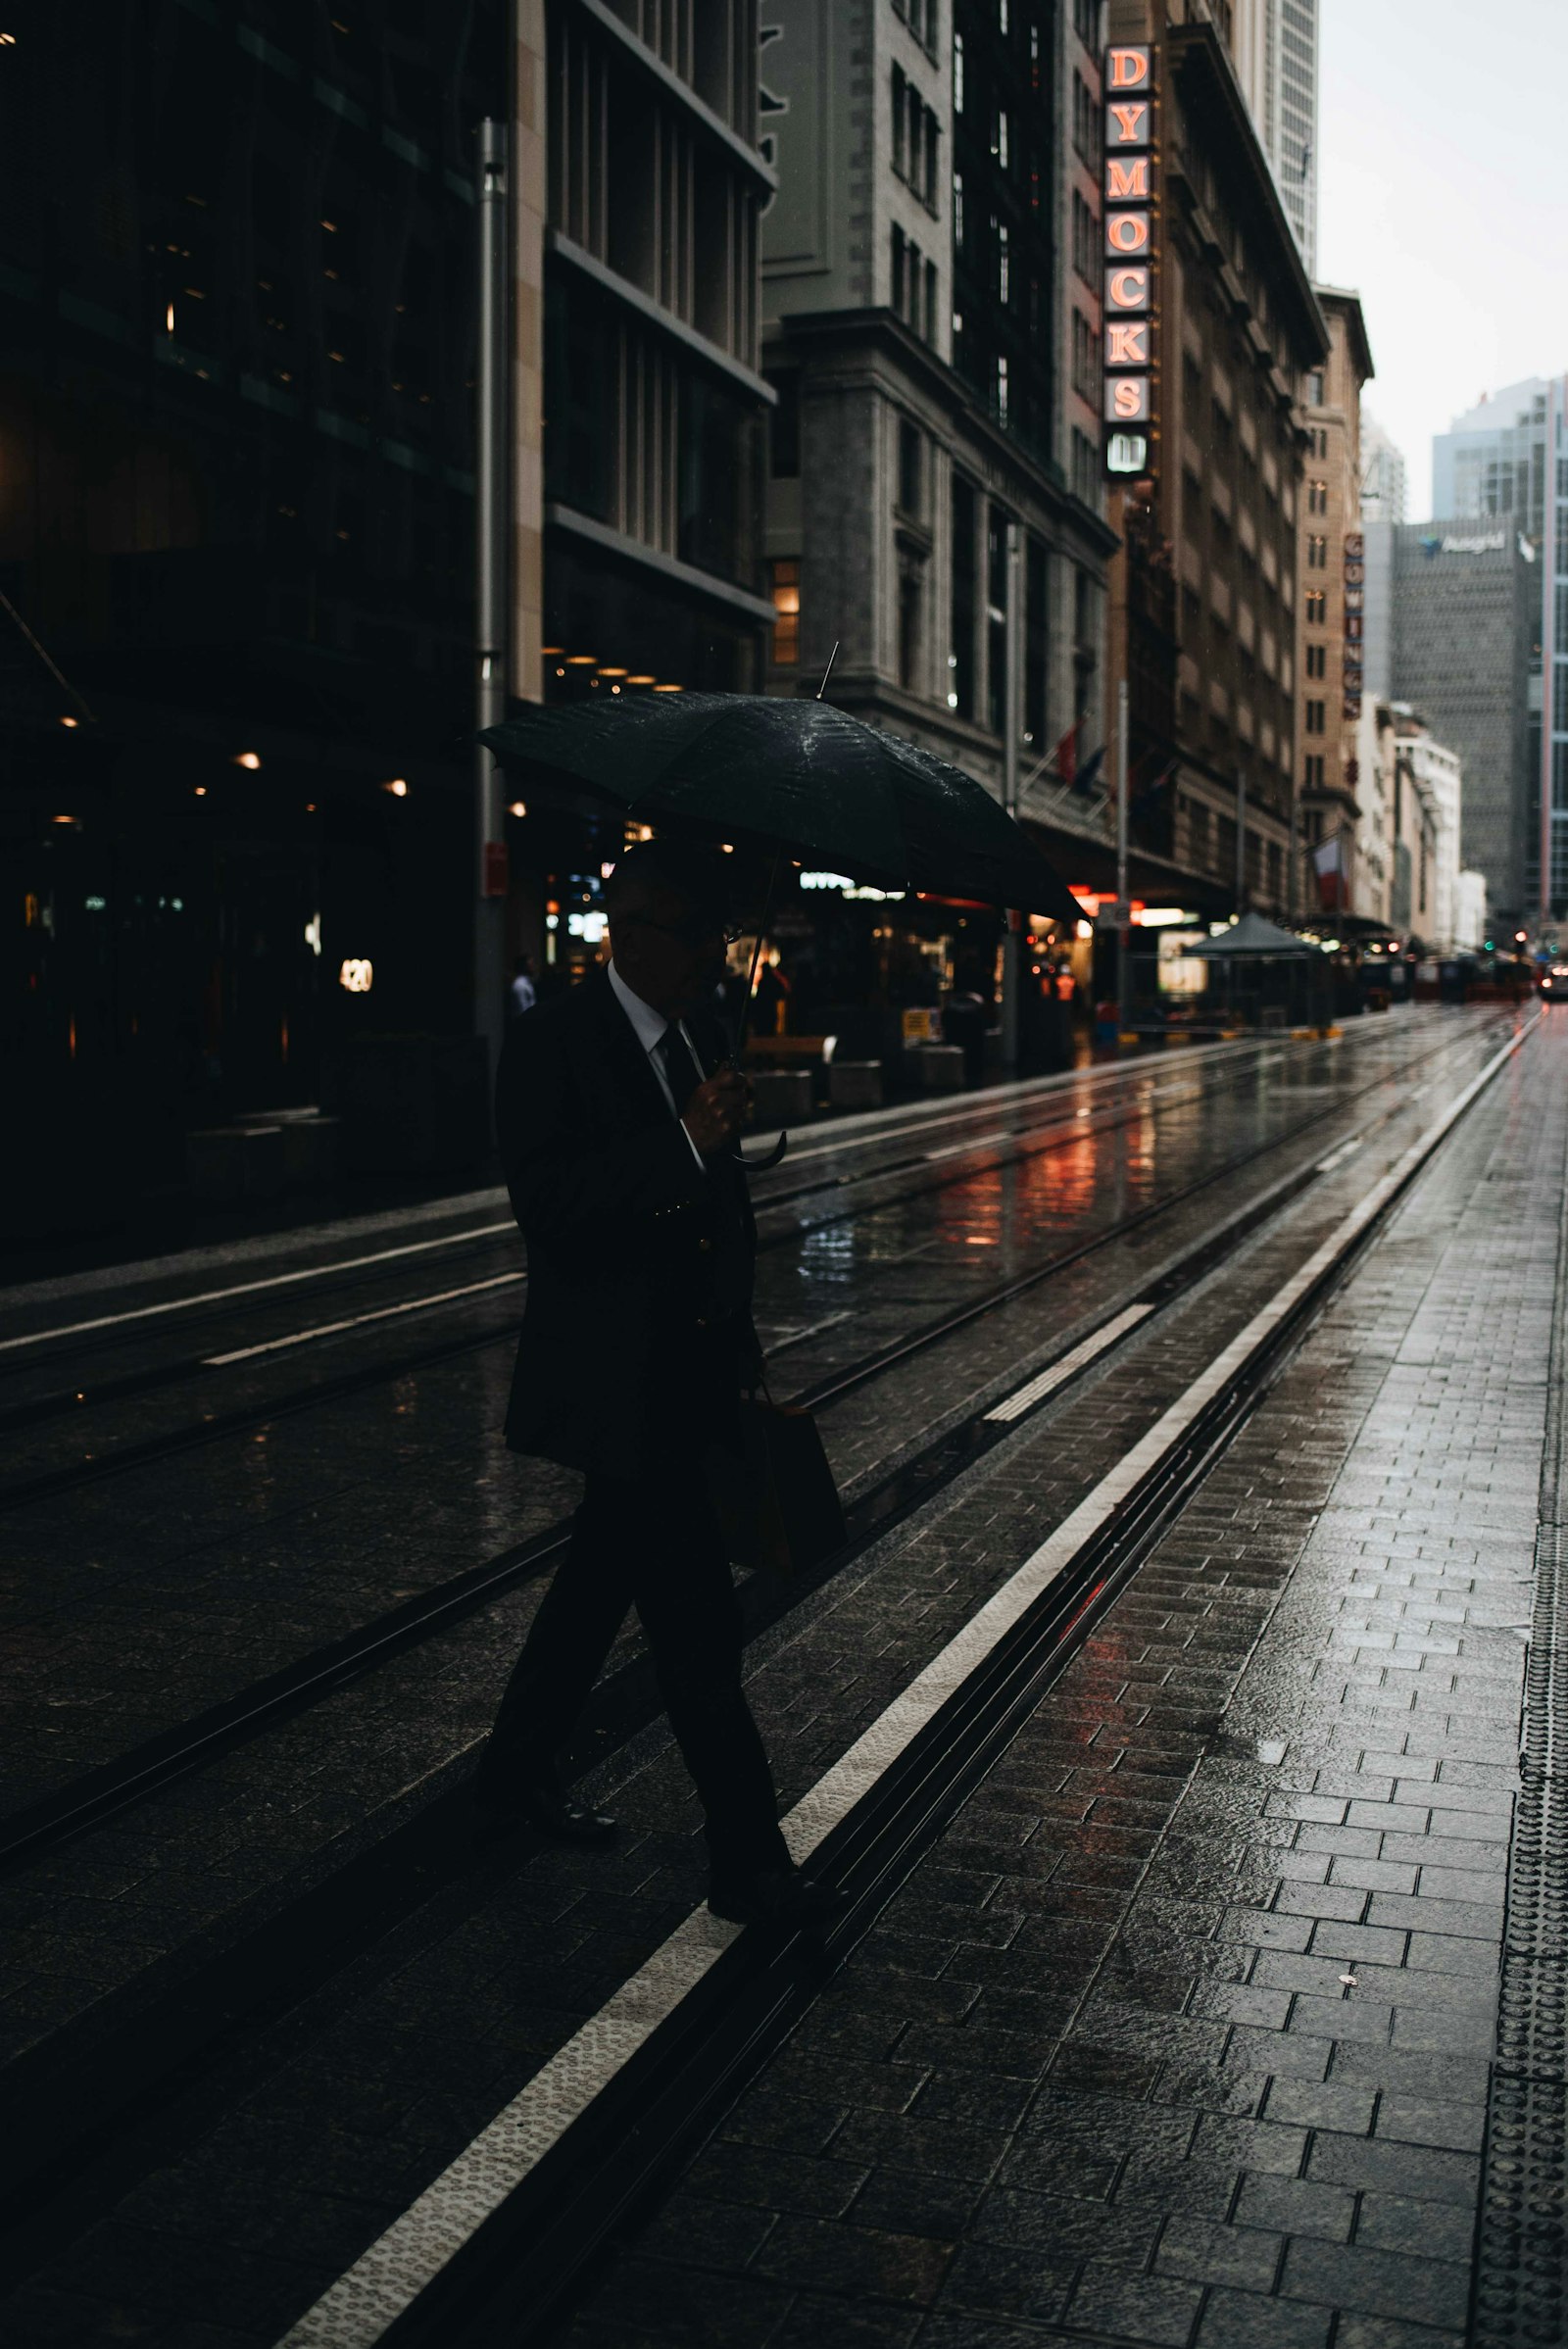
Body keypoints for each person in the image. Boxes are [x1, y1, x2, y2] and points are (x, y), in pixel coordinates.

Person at [472, 840, 845, 1932]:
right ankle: (748, 1863)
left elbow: (715, 1208)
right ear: (628, 936)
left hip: (691, 1377)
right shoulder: (552, 1045)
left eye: (715, 936)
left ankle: (510, 1779)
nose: (710, 957)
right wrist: (680, 1143)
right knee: (694, 1634)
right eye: (692, 934)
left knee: (596, 1589)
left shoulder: (699, 1037)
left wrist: (721, 1146)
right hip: (617, 1386)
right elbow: (551, 1207)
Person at [507, 954, 537, 1018]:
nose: (534, 967)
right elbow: (523, 1010)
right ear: (524, 966)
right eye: (531, 964)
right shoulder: (520, 985)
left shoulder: (526, 982)